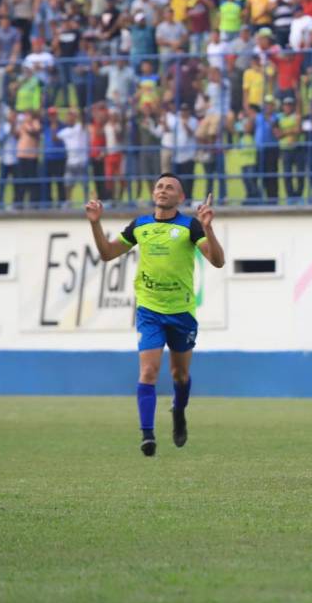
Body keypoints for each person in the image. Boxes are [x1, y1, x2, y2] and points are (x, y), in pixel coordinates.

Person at [85, 175, 226, 457]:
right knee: (148, 372)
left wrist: (209, 229)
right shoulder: (140, 225)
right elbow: (107, 253)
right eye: (160, 186)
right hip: (149, 310)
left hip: (182, 312)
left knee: (180, 374)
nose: (163, 190)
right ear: (153, 193)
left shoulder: (190, 225)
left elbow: (217, 261)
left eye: (170, 187)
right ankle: (147, 435)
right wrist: (95, 223)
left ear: (181, 197)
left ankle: (179, 412)